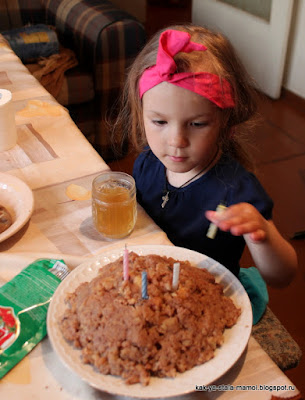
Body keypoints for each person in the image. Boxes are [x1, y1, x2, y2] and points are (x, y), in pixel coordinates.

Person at [112, 24, 297, 290]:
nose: (176, 141)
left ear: (226, 122)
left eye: (197, 124)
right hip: (150, 285)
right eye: (159, 121)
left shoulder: (237, 192)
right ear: (141, 113)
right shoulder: (147, 162)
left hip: (205, 294)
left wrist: (263, 236)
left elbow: (282, 276)